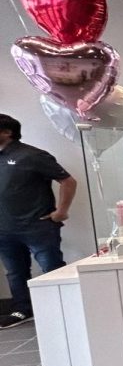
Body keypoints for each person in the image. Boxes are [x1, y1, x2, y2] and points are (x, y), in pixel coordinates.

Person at [0, 114, 77, 329]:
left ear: (7, 132)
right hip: (4, 229)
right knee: (15, 271)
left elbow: (68, 181)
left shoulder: (33, 155)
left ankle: (63, 308)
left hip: (37, 226)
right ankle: (22, 309)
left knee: (52, 267)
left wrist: (61, 211)